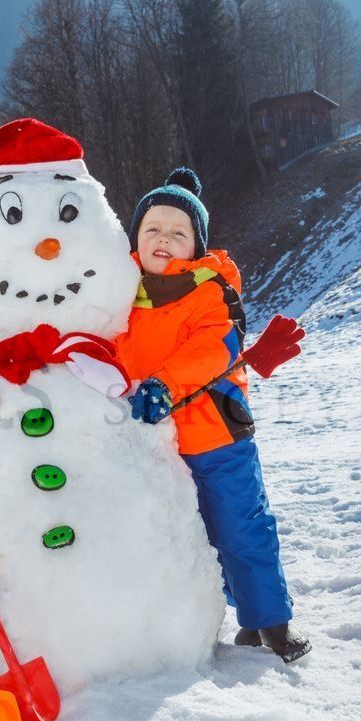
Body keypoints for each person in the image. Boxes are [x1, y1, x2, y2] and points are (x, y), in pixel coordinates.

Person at [115, 169, 311, 663]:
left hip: (215, 436)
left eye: (178, 232)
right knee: (181, 535)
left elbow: (212, 349)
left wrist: (162, 383)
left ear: (196, 245)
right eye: (153, 228)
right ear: (134, 237)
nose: (164, 239)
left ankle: (269, 624)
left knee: (241, 527)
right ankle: (194, 622)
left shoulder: (210, 290)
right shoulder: (115, 292)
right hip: (151, 445)